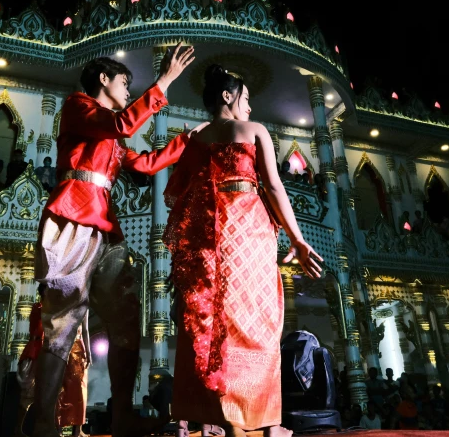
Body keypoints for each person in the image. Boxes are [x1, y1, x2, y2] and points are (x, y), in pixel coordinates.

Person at [31, 44, 197, 437]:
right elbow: (122, 124)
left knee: (125, 320)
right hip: (71, 217)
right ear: (103, 80)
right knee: (64, 319)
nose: (127, 89)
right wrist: (165, 80)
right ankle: (41, 420)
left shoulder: (110, 130)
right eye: (124, 82)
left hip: (105, 226)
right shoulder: (78, 106)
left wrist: (187, 139)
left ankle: (122, 414)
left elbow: (147, 164)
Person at [164, 64, 323, 437]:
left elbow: (178, 195)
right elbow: (273, 186)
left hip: (206, 236)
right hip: (247, 230)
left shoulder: (196, 139)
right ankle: (259, 417)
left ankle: (221, 416)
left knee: (211, 322)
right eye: (246, 99)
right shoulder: (253, 131)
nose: (249, 108)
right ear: (228, 96)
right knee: (257, 319)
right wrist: (297, 239)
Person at [16, 283, 47, 437]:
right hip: (34, 352)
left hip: (43, 353)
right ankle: (18, 429)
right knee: (28, 395)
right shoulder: (39, 307)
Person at [57, 327, 89, 437]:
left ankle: (78, 429)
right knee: (62, 390)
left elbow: (85, 330)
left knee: (81, 391)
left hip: (79, 349)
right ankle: (59, 428)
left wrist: (88, 353)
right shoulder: (63, 309)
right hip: (63, 347)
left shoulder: (84, 309)